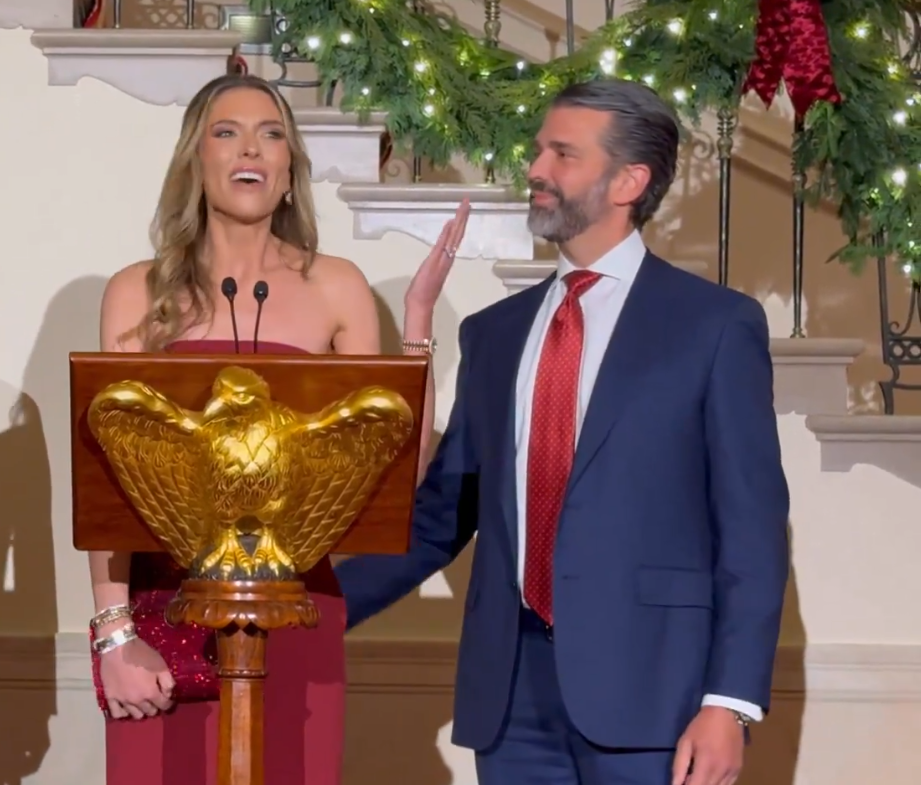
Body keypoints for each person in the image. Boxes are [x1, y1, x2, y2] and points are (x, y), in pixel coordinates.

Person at [336, 78, 791, 785]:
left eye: (562, 154)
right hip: (511, 699)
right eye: (539, 149)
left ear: (629, 180)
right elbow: (438, 521)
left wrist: (728, 703)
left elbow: (752, 531)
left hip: (656, 703)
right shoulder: (495, 335)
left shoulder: (714, 327)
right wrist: (307, 608)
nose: (536, 169)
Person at [89, 72, 470, 785]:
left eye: (271, 135)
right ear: (195, 163)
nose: (251, 150)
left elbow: (396, 474)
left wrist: (417, 324)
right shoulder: (137, 291)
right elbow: (109, 482)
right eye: (227, 132)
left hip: (297, 613)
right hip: (164, 612)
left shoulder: (337, 285)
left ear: (290, 170)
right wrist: (115, 637)